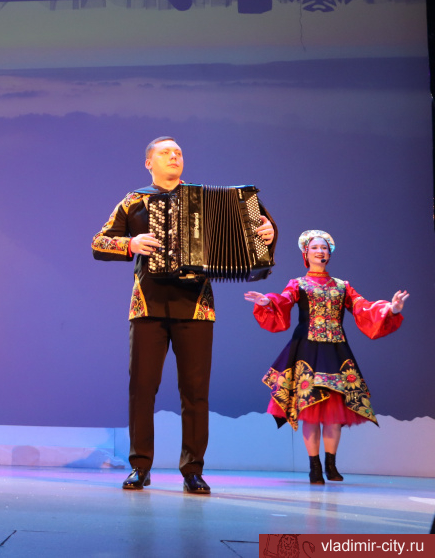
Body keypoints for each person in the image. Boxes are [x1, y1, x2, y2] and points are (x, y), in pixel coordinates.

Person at [91, 136, 276, 494]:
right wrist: (130, 244)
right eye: (165, 152)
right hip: (147, 305)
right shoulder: (134, 200)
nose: (174, 156)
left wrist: (268, 232)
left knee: (195, 392)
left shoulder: (207, 200)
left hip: (196, 307)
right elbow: (99, 242)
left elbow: (258, 234)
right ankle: (140, 466)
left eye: (178, 152)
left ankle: (193, 470)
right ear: (149, 163)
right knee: (142, 388)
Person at [244, 230, 407, 484]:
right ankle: (314, 467)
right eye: (315, 248)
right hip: (307, 351)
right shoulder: (298, 283)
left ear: (329, 254)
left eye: (324, 248)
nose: (320, 251)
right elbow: (284, 301)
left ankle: (331, 464)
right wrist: (267, 302)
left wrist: (391, 308)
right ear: (306, 254)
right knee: (309, 410)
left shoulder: (342, 286)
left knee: (334, 414)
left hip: (335, 351)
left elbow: (363, 308)